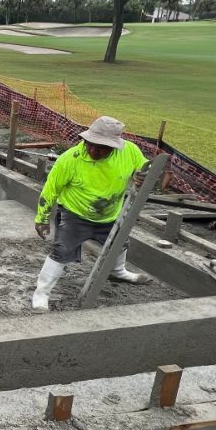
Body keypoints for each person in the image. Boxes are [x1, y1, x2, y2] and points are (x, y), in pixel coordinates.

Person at [32, 116, 152, 311]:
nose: (94, 150)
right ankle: (41, 293)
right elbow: (50, 190)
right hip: (74, 215)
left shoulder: (129, 152)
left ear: (115, 146)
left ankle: (118, 271)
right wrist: (42, 219)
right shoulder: (70, 159)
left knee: (119, 244)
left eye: (102, 147)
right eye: (90, 144)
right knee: (61, 251)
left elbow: (146, 169)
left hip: (110, 215)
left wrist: (142, 177)